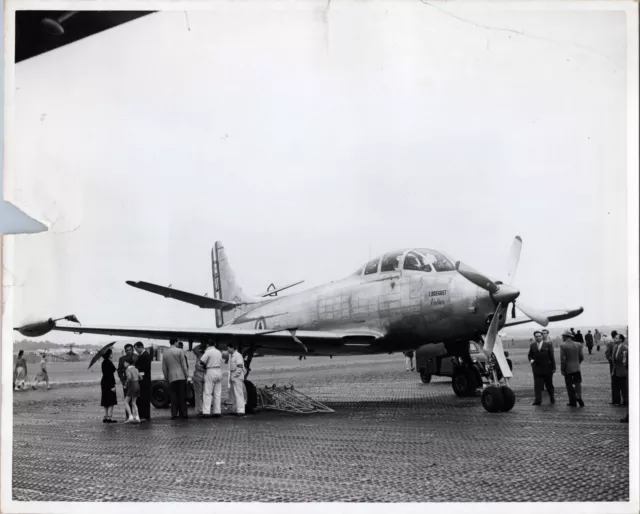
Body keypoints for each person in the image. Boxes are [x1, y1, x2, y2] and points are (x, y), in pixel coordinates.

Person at [162, 339, 190, 419]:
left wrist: (166, 378)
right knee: (182, 395)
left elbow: (164, 368)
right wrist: (187, 376)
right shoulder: (180, 351)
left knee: (173, 396)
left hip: (171, 377)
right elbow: (184, 366)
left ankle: (174, 414)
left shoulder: (165, 353)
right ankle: (183, 413)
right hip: (180, 376)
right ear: (176, 342)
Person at [528, 330, 556, 405]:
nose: (538, 337)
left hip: (547, 368)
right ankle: (538, 400)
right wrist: (531, 361)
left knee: (549, 384)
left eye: (539, 336)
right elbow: (529, 355)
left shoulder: (548, 345)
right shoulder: (532, 345)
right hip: (536, 369)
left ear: (542, 336)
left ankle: (552, 398)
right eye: (536, 336)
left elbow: (552, 357)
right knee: (537, 385)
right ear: (534, 337)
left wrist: (553, 367)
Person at [560, 329, 584, 407]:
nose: (562, 337)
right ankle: (579, 397)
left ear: (565, 336)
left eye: (562, 336)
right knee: (578, 384)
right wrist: (578, 362)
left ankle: (572, 402)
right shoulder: (578, 344)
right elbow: (581, 357)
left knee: (569, 386)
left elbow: (563, 359)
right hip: (577, 367)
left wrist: (563, 369)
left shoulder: (563, 345)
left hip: (568, 368)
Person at [201, 342, 223, 417]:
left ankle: (206, 412)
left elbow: (201, 362)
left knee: (208, 392)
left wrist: (204, 365)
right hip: (219, 371)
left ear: (207, 344)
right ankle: (217, 411)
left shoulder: (208, 352)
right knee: (217, 393)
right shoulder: (219, 352)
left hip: (211, 370)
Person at [133, 341, 152, 421]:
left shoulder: (145, 355)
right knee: (142, 398)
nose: (136, 351)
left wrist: (136, 368)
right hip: (143, 380)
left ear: (140, 347)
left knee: (145, 399)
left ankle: (145, 416)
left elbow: (146, 368)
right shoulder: (142, 355)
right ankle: (143, 415)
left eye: (136, 349)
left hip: (144, 381)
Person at [227, 342, 245, 416]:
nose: (227, 350)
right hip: (234, 377)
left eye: (228, 348)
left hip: (237, 378)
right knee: (234, 394)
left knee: (239, 394)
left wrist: (235, 375)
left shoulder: (238, 356)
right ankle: (236, 409)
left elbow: (240, 366)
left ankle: (241, 410)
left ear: (232, 348)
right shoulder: (233, 356)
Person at [100, 349, 118, 423]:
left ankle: (106, 417)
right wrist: (112, 385)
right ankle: (109, 418)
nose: (112, 355)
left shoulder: (103, 362)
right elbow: (110, 375)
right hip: (109, 383)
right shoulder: (109, 363)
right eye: (111, 353)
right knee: (111, 401)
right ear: (108, 354)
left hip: (104, 382)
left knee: (105, 400)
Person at [610, 334, 628, 407]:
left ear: (621, 340)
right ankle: (616, 401)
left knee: (624, 388)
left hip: (622, 371)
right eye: (614, 338)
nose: (614, 339)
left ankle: (625, 402)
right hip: (615, 370)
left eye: (616, 338)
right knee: (615, 386)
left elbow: (625, 360)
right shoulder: (615, 347)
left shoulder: (625, 348)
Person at [191, 344, 207, 416]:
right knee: (205, 393)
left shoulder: (199, 355)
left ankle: (199, 410)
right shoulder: (207, 355)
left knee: (198, 393)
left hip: (198, 375)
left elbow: (194, 349)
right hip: (205, 375)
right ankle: (205, 409)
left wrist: (201, 344)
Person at [605, 330, 618, 403]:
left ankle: (615, 400)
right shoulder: (612, 343)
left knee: (614, 382)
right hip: (616, 365)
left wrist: (611, 361)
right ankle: (617, 400)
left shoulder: (610, 343)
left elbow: (607, 354)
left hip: (613, 365)